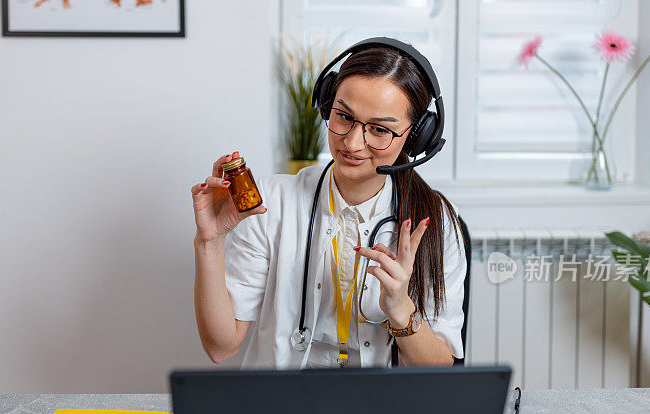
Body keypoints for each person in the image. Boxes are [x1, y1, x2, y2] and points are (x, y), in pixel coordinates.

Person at [191, 40, 466, 369]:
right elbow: (220, 347)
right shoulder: (269, 204)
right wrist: (210, 242)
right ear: (326, 106)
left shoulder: (434, 221)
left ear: (416, 136)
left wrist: (399, 308)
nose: (352, 143)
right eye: (343, 116)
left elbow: (440, 371)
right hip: (282, 409)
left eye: (379, 129)